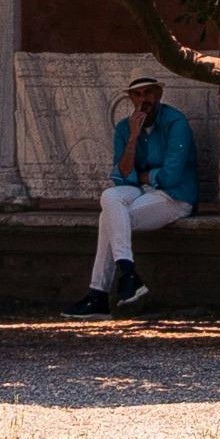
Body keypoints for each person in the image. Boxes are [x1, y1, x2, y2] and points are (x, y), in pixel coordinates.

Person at [73, 72, 198, 313]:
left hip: (174, 197)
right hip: (141, 192)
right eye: (137, 95)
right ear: (131, 99)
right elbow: (121, 177)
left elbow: (171, 177)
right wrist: (132, 138)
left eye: (148, 93)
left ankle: (98, 295)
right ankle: (128, 273)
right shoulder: (124, 128)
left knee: (109, 218)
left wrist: (144, 176)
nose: (144, 100)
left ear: (158, 94)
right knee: (109, 197)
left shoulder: (175, 123)